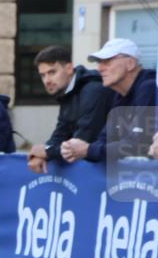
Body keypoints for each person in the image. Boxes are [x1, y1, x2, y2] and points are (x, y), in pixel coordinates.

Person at [61, 38, 158, 163]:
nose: (99, 68)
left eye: (107, 61)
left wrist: (88, 150)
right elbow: (105, 138)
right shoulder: (120, 94)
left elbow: (138, 144)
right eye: (99, 62)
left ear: (130, 64)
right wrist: (75, 148)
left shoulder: (149, 88)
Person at [26, 45, 111, 174]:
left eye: (52, 72)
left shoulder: (93, 90)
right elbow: (61, 131)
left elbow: (83, 140)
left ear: (69, 68)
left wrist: (47, 152)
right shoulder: (68, 91)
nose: (47, 80)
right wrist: (43, 153)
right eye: (42, 75)